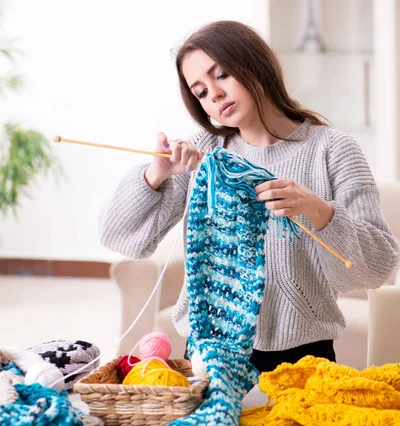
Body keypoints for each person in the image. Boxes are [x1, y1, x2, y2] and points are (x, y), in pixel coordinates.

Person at [99, 20, 399, 373]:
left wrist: (318, 210)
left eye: (222, 74)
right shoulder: (206, 154)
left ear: (255, 64)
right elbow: (119, 237)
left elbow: (378, 267)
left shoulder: (332, 149)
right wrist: (155, 176)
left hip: (302, 357)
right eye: (200, 91)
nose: (214, 94)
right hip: (207, 352)